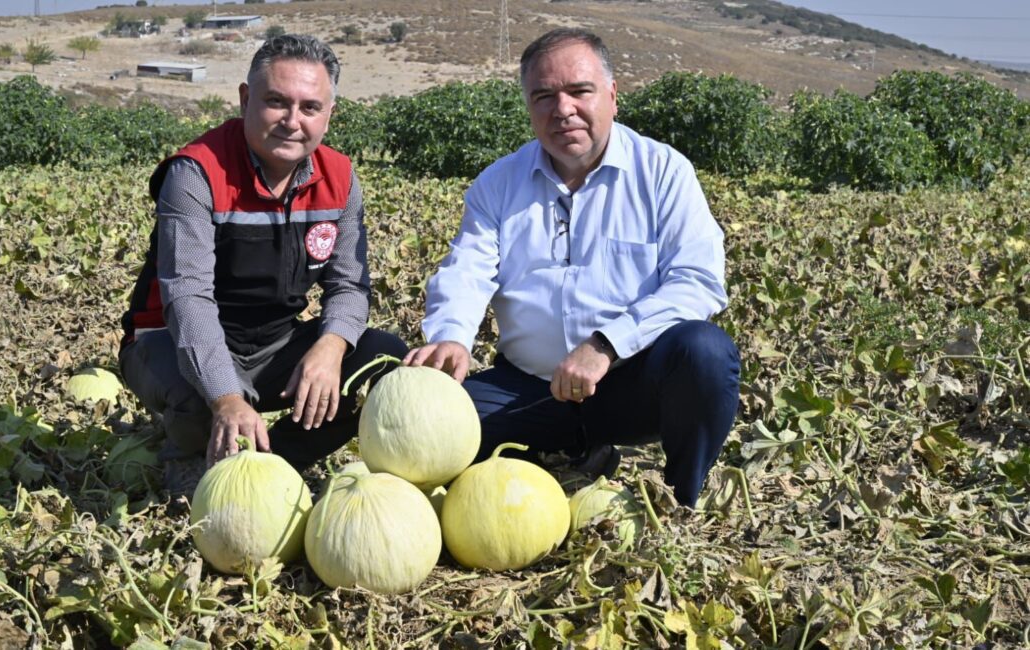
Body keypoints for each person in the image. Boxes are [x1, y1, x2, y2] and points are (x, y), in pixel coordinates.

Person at [403, 28, 740, 507]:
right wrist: (451, 335)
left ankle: (683, 498)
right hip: (528, 389)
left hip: (628, 386)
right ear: (528, 106)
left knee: (704, 353)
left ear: (612, 96)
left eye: (579, 91)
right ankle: (567, 450)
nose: (563, 110)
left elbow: (697, 282)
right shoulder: (499, 183)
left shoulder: (664, 172)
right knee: (427, 426)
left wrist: (606, 344)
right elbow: (467, 268)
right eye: (544, 96)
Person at [119, 34, 406, 496]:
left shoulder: (340, 179)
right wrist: (227, 397)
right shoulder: (196, 172)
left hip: (272, 342)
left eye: (310, 107)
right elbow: (187, 298)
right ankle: (190, 454)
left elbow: (349, 286)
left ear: (329, 114)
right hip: (169, 341)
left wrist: (330, 348)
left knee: (380, 361)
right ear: (245, 98)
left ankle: (275, 464)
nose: (293, 122)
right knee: (200, 391)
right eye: (276, 102)